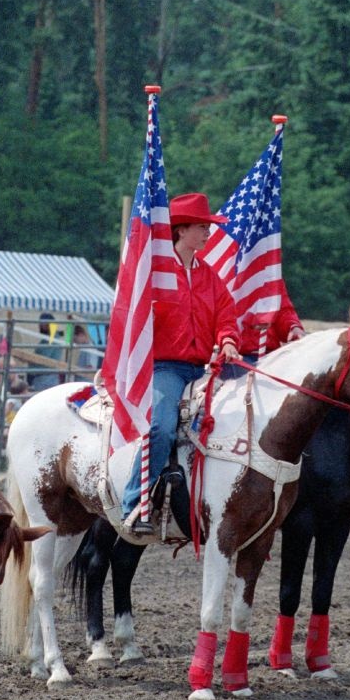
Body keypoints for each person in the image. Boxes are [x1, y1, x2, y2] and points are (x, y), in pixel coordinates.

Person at [121, 192, 241, 535]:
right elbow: (136, 320)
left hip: (203, 368)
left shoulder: (210, 276)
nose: (208, 233)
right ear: (181, 230)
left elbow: (226, 317)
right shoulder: (156, 273)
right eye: (202, 227)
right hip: (165, 368)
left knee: (233, 423)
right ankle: (135, 503)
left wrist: (229, 339)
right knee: (160, 427)